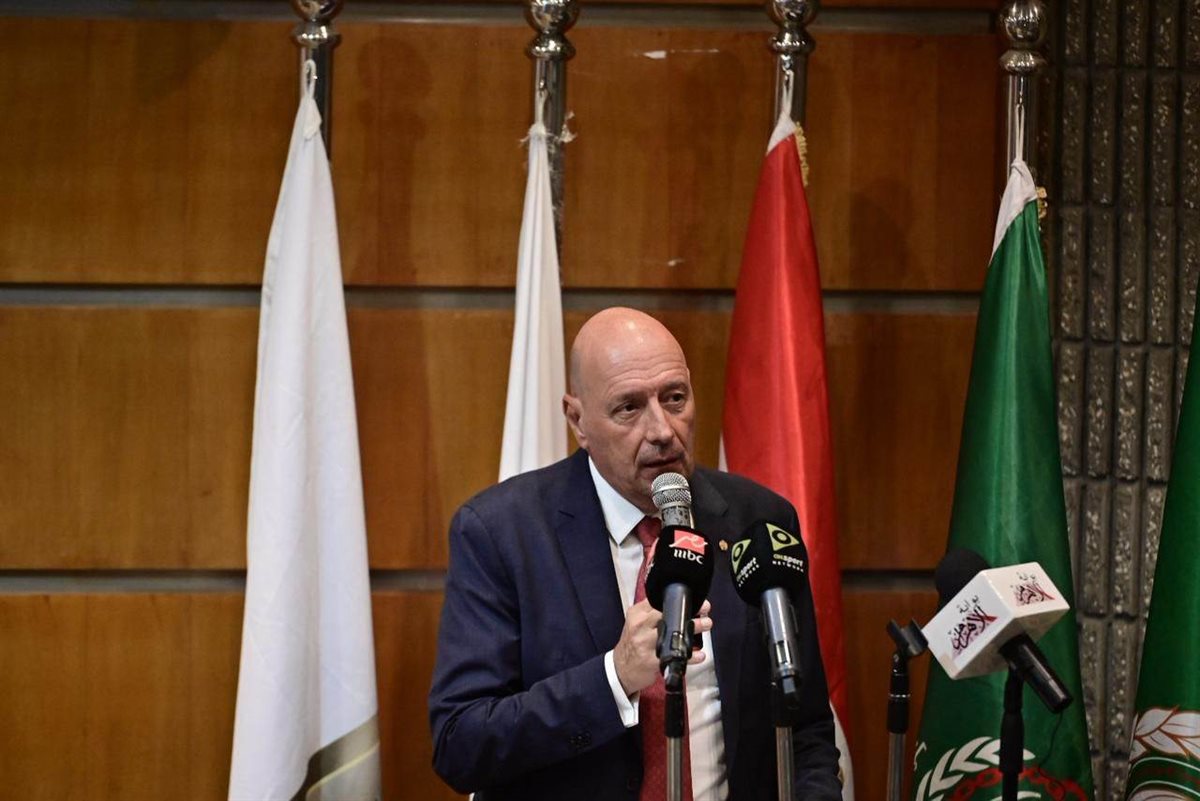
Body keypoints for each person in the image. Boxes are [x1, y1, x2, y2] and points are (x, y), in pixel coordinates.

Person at [428, 307, 842, 800]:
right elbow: (461, 742)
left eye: (675, 398)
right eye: (629, 407)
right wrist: (614, 676)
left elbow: (808, 727)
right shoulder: (503, 533)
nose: (663, 429)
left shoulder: (758, 521)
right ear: (578, 421)